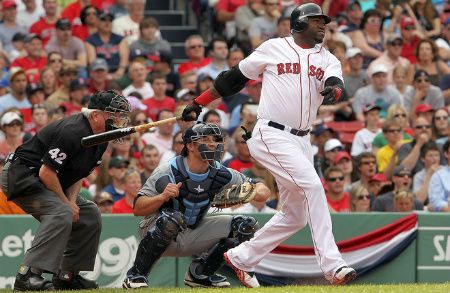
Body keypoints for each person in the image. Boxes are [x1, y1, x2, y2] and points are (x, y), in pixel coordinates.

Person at [180, 3, 357, 287]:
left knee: (296, 215)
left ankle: (241, 257)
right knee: (312, 187)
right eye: (317, 20)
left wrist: (334, 90)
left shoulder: (327, 58)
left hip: (302, 139)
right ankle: (333, 265)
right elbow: (233, 79)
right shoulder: (274, 47)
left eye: (325, 20)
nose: (323, 24)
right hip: (271, 132)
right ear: (299, 22)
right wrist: (198, 103)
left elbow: (336, 83)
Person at [0, 90, 131, 290]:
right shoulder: (73, 131)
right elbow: (47, 172)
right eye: (113, 115)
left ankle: (67, 275)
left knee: (90, 213)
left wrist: (72, 201)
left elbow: (78, 173)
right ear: (96, 115)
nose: (119, 120)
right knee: (60, 211)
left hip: (46, 179)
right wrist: (67, 203)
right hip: (21, 176)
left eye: (120, 115)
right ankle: (27, 276)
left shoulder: (102, 137)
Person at [122, 122, 270, 289]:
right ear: (190, 145)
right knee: (173, 218)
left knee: (247, 225)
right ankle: (136, 275)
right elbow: (138, 208)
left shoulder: (221, 173)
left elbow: (263, 190)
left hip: (194, 230)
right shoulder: (168, 170)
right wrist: (162, 197)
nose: (212, 143)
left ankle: (201, 274)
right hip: (157, 230)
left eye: (216, 139)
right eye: (205, 139)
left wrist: (250, 193)